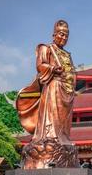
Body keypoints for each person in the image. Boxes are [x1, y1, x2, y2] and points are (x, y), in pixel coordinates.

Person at [18, 20, 78, 169]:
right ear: (54, 34)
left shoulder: (67, 54)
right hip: (53, 86)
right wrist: (52, 68)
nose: (64, 38)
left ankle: (62, 139)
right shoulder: (46, 48)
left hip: (67, 90)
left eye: (66, 35)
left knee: (64, 120)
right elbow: (40, 65)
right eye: (61, 34)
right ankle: (49, 138)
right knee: (52, 116)